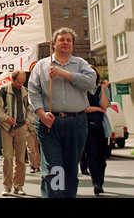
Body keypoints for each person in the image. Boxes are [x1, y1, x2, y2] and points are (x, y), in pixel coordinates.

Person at [28, 27, 96, 198]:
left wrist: (65, 74)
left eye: (69, 40)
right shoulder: (41, 65)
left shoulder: (81, 64)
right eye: (62, 39)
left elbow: (91, 82)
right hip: (49, 123)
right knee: (54, 168)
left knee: (71, 168)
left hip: (76, 123)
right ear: (53, 44)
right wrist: (41, 114)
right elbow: (33, 92)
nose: (65, 42)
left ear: (72, 44)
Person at [0, 70, 34, 196]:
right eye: (18, 82)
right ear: (12, 79)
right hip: (6, 128)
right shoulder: (3, 91)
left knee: (21, 158)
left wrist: (28, 121)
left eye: (23, 82)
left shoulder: (26, 91)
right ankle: (7, 186)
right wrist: (6, 118)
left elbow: (30, 110)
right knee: (7, 157)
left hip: (22, 127)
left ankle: (19, 186)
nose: (20, 84)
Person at [84, 65, 111, 195]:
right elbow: (85, 108)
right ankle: (96, 183)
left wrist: (104, 90)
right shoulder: (82, 90)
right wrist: (99, 109)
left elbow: (105, 105)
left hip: (101, 127)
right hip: (87, 127)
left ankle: (100, 182)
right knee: (92, 154)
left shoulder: (102, 89)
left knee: (102, 157)